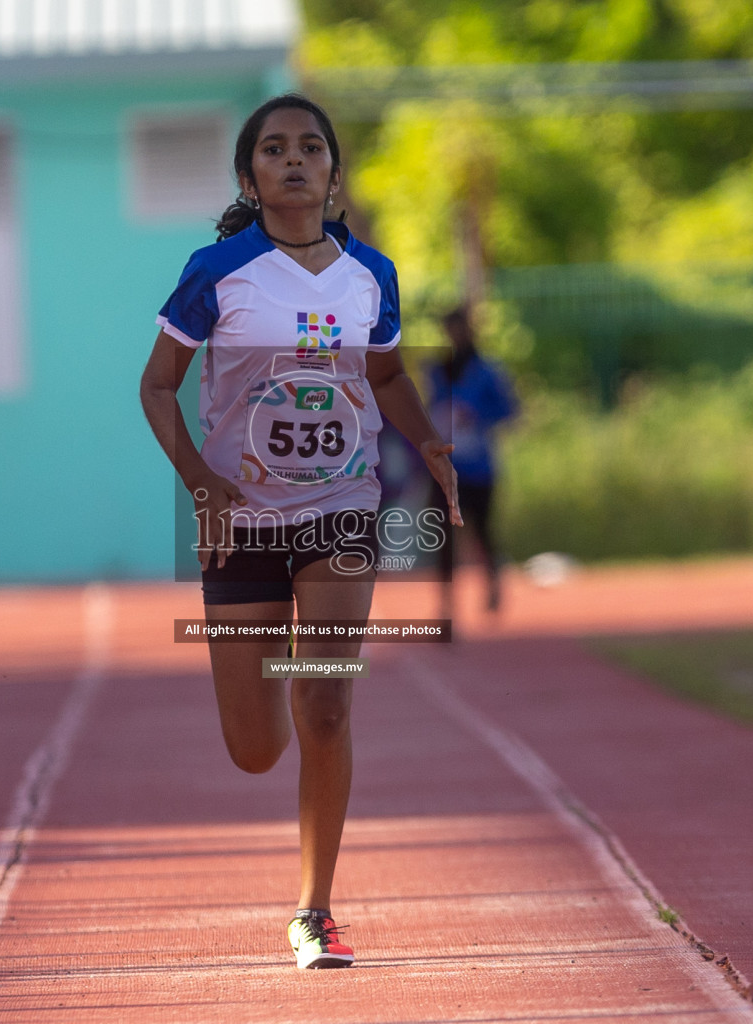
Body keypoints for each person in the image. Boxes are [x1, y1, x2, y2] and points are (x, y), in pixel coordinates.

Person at [138, 94, 460, 969]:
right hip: (242, 517)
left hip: (341, 510)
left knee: (325, 700)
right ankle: (277, 682)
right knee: (253, 751)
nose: (294, 159)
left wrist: (425, 436)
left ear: (332, 172)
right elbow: (158, 387)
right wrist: (202, 485)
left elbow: (386, 374)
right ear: (251, 176)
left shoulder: (372, 277)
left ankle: (314, 911)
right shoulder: (219, 272)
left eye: (310, 147)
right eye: (274, 149)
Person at [428, 306, 516, 618]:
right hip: (445, 468)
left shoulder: (488, 370)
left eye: (460, 328)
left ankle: (492, 581)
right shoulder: (436, 370)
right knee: (441, 536)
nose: (455, 335)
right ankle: (446, 604)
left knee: (482, 530)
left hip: (478, 468)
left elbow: (510, 412)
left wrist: (476, 416)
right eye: (449, 329)